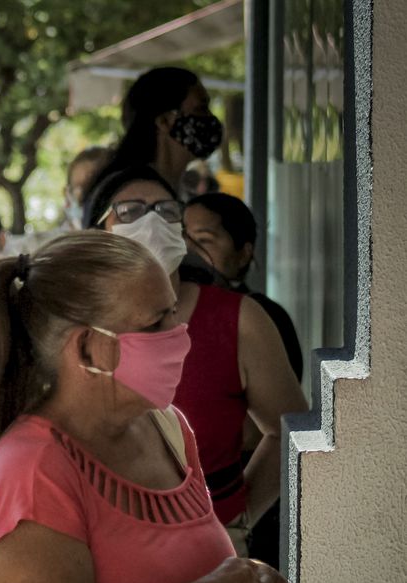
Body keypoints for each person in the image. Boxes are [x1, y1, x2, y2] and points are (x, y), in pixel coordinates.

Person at [0, 233, 291, 583]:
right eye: (157, 323)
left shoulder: (167, 428)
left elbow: (175, 579)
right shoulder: (31, 473)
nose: (181, 335)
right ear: (89, 349)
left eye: (174, 311)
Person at [86, 167, 308, 562]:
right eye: (130, 211)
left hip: (217, 559)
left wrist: (237, 520)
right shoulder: (73, 326)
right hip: (103, 557)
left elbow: (289, 431)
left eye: (166, 211)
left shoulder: (240, 319)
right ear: (99, 230)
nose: (151, 221)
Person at [184, 192, 303, 380]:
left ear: (243, 254)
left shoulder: (266, 316)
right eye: (181, 238)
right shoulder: (169, 309)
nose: (188, 251)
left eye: (203, 240)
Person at [89, 67, 225, 202]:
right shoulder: (137, 194)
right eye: (201, 108)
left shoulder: (164, 188)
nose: (210, 117)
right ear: (164, 121)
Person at [11, 146, 113, 257]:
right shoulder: (36, 248)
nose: (93, 200)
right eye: (84, 189)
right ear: (67, 196)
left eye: (101, 189)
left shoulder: (126, 240)